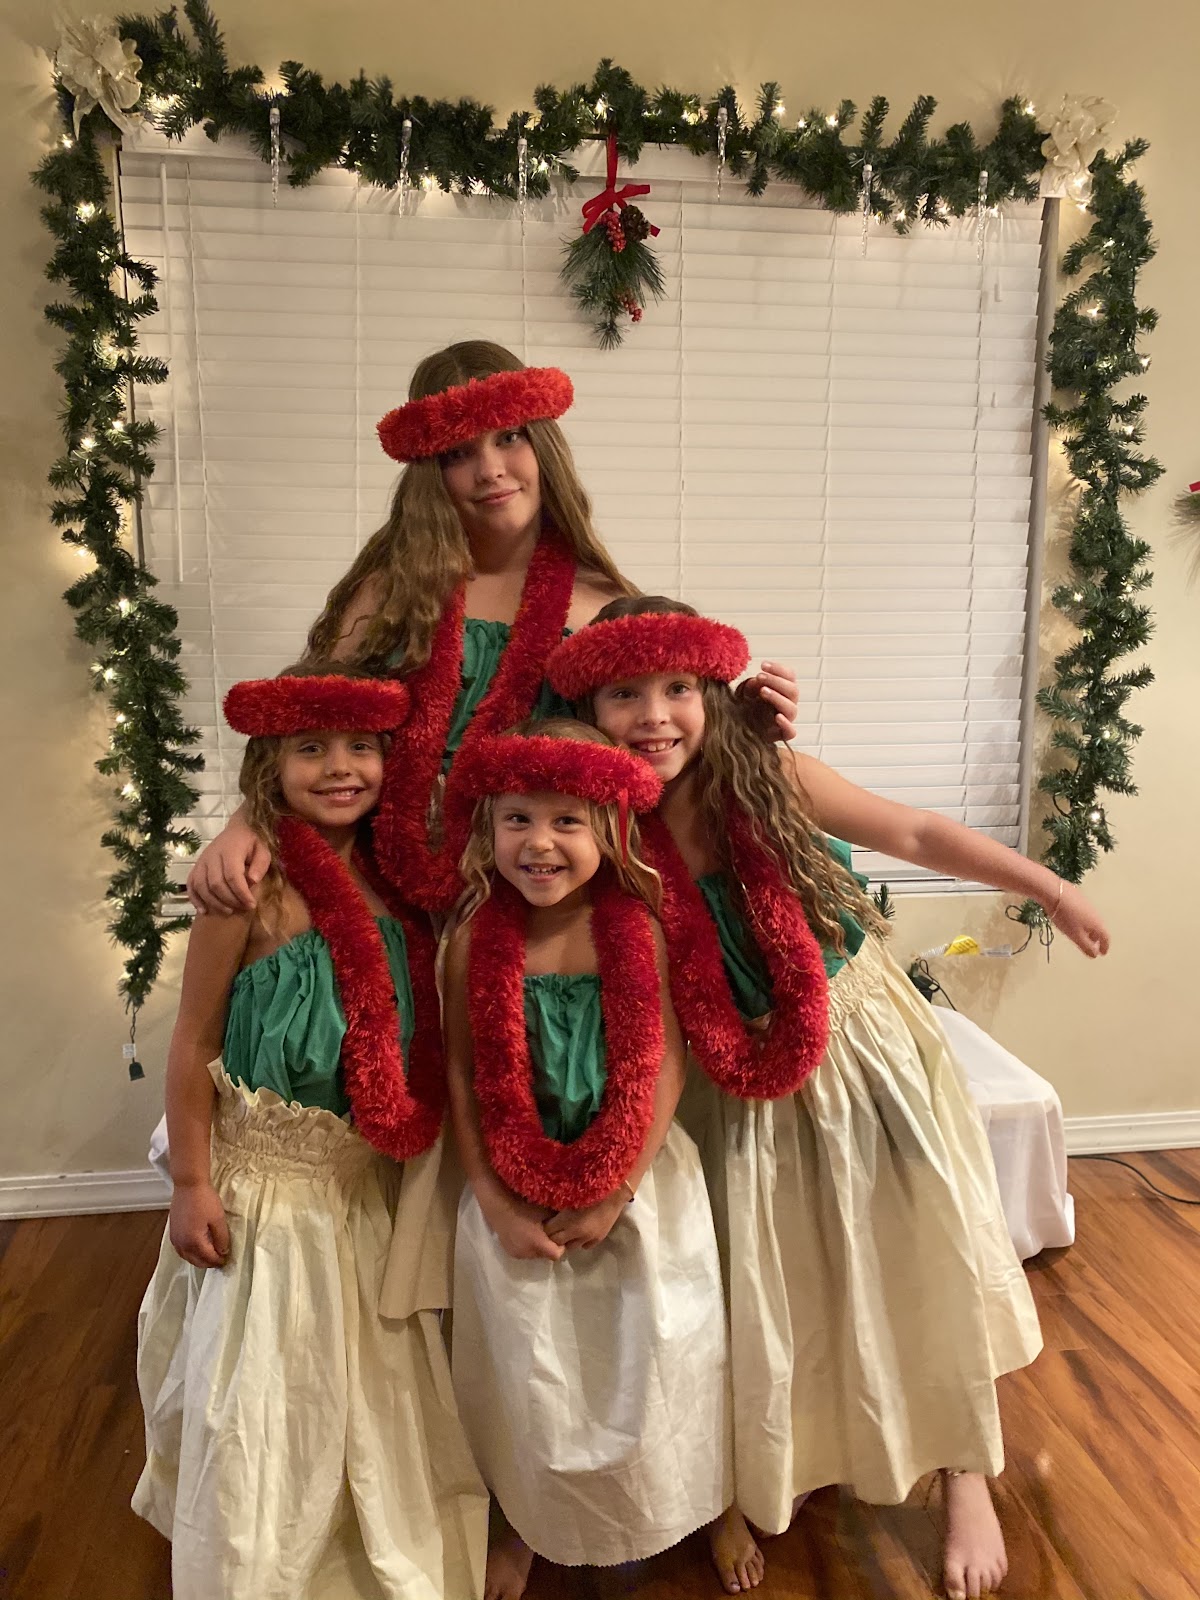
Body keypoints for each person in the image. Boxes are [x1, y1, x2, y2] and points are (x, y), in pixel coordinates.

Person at [548, 598, 1110, 1600]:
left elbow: (914, 829)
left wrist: (1050, 888)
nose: (654, 714)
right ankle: (804, 1450)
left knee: (920, 1249)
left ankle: (965, 1470)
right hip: (730, 1082)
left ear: (714, 692)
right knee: (781, 1277)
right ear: (586, 711)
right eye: (624, 693)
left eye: (677, 688)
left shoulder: (773, 778)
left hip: (861, 1047)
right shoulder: (603, 831)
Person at [183, 340, 802, 916]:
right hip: (384, 884)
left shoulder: (601, 606)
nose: (489, 470)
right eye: (458, 453)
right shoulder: (388, 596)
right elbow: (314, 730)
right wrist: (248, 820)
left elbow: (648, 750)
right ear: (430, 471)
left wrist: (737, 724)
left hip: (540, 892)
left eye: (509, 438)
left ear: (543, 444)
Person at [132, 666, 487, 1600]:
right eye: (311, 749)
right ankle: (257, 1553)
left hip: (367, 1177)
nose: (340, 768)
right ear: (270, 764)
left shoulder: (405, 880)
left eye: (361, 747)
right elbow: (194, 1040)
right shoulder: (247, 891)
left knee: (371, 1378)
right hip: (269, 1189)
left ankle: (362, 1527)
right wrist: (190, 1183)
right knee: (268, 1385)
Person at [441, 720, 733, 1600]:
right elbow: (461, 1073)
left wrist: (619, 1189)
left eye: (567, 821)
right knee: (528, 1371)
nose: (540, 843)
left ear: (608, 830)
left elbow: (668, 1061)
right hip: (513, 1187)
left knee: (667, 1355)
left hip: (639, 1183)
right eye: (518, 820)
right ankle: (526, 1519)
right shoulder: (471, 939)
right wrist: (494, 1201)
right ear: (488, 830)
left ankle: (711, 1502)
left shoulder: (640, 928)